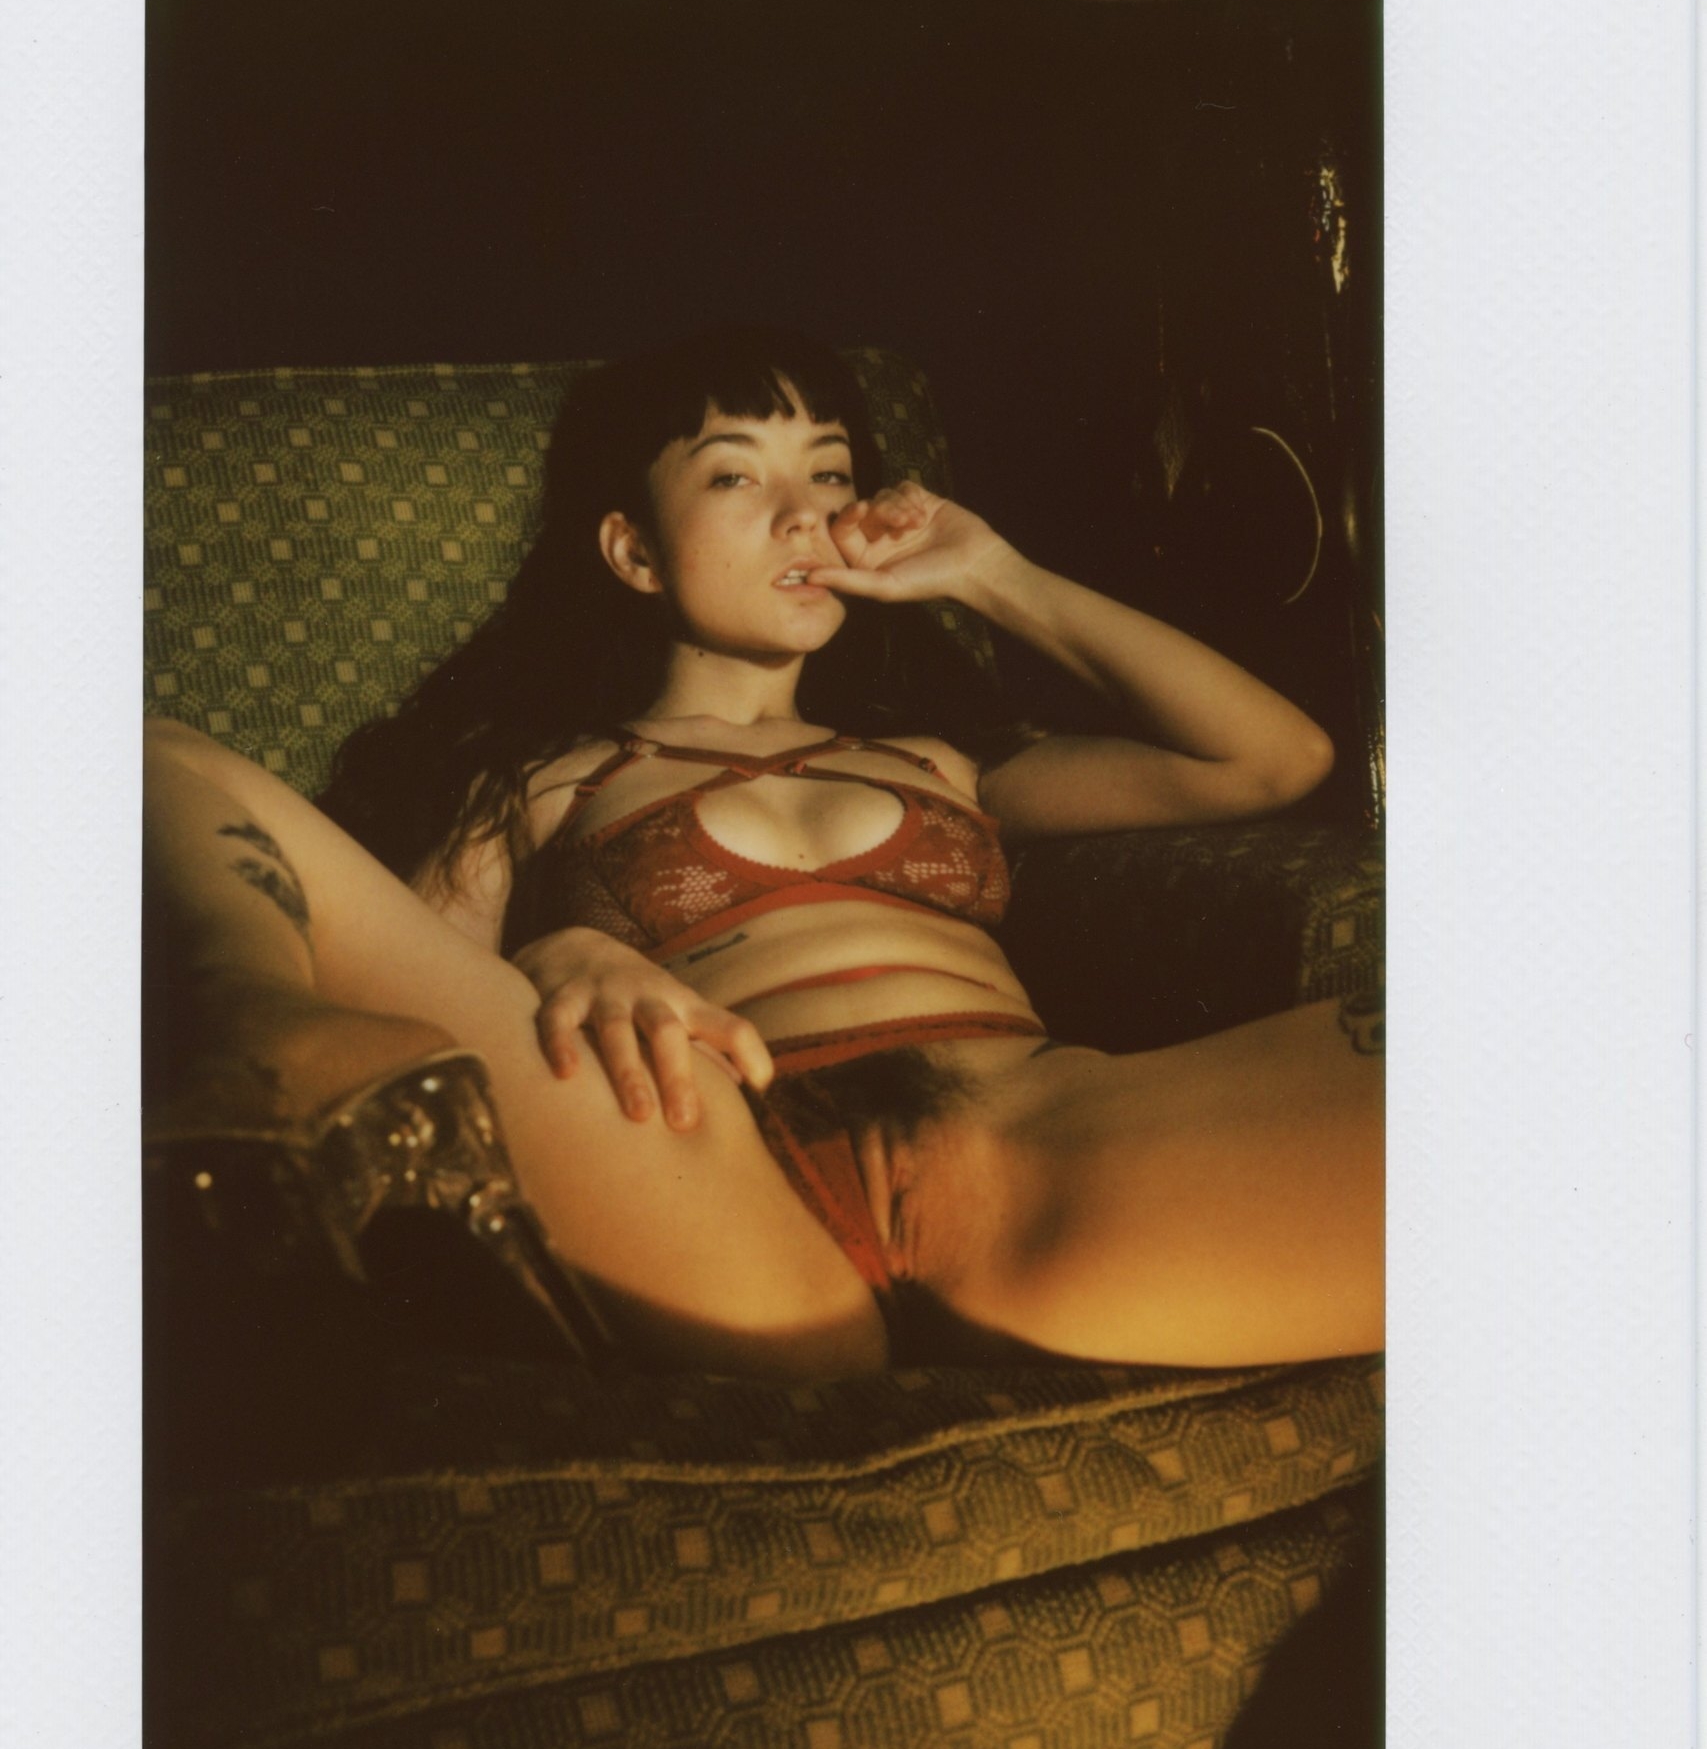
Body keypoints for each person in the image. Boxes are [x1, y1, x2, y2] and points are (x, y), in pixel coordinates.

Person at [144, 327, 1381, 1382]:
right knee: (149, 747)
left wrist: (992, 573)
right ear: (634, 551)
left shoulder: (946, 762)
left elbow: (1272, 760)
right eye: (736, 475)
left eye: (830, 472)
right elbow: (420, 1014)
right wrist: (558, 952)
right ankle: (251, 1033)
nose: (806, 513)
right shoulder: (538, 785)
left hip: (1034, 1157)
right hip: (700, 1168)